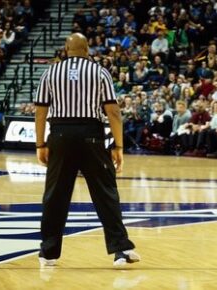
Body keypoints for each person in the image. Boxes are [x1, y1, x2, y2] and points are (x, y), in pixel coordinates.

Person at [34, 33, 140, 267]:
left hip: (59, 135)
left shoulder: (50, 72)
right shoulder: (100, 72)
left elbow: (40, 111)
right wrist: (118, 146)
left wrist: (40, 144)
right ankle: (120, 249)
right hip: (91, 135)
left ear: (66, 49)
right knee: (105, 192)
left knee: (55, 195)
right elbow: (113, 112)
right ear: (87, 49)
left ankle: (48, 253)